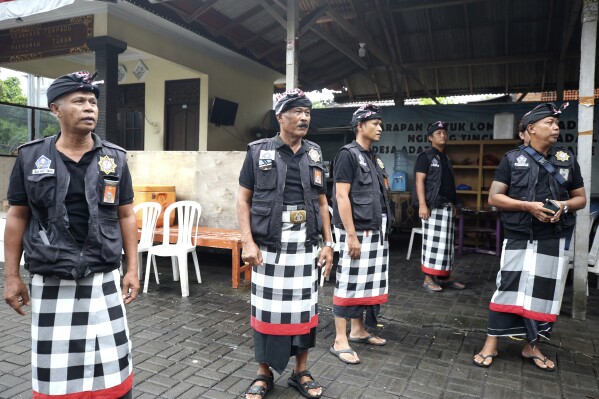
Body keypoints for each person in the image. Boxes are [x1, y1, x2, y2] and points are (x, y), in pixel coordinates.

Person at [3, 71, 139, 398]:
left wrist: (132, 268)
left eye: (93, 101)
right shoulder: (31, 156)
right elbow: (17, 216)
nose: (89, 107)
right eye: (79, 101)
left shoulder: (115, 158)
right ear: (55, 109)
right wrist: (11, 275)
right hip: (51, 280)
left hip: (102, 277)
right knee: (56, 376)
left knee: (112, 367)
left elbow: (126, 214)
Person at [473, 103, 586, 371]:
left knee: (544, 292)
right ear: (531, 129)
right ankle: (491, 344)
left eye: (557, 123)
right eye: (549, 122)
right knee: (508, 286)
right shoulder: (512, 159)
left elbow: (579, 198)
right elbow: (495, 197)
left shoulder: (567, 159)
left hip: (553, 236)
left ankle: (532, 346)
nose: (556, 127)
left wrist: (563, 206)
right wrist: (528, 206)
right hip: (519, 235)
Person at [237, 88, 334, 399]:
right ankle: (263, 373)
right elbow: (243, 199)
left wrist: (329, 243)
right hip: (269, 243)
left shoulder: (315, 153)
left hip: (306, 242)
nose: (304, 117)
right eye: (297, 112)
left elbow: (322, 202)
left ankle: (300, 371)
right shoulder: (258, 151)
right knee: (266, 311)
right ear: (281, 117)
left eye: (307, 112)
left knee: (305, 311)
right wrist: (248, 242)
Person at [329, 104, 393, 364]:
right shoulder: (348, 155)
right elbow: (341, 196)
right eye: (374, 123)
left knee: (366, 283)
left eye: (380, 123)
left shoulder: (372, 157)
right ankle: (339, 340)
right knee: (348, 282)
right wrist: (351, 236)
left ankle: (357, 330)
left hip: (375, 230)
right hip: (356, 231)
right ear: (359, 126)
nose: (380, 127)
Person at [413, 121, 465, 292]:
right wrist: (422, 205)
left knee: (446, 245)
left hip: (447, 207)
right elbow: (419, 181)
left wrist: (455, 203)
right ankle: (428, 279)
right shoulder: (425, 156)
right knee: (432, 244)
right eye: (438, 133)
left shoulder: (446, 158)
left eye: (444, 132)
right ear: (430, 138)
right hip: (432, 207)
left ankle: (445, 277)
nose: (442, 135)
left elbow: (449, 184)